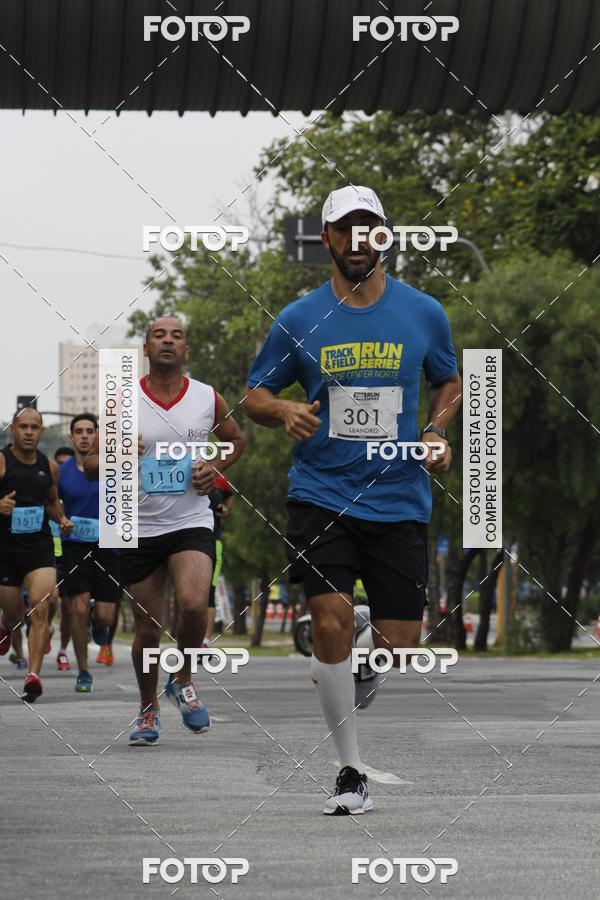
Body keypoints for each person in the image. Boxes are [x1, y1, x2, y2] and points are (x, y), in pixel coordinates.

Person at [245, 186, 461, 815]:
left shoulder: (424, 312)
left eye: (369, 227)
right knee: (328, 622)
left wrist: (435, 431)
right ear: (328, 239)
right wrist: (283, 407)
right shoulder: (298, 317)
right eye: (345, 229)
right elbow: (254, 393)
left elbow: (447, 379)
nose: (357, 239)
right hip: (321, 493)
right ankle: (349, 771)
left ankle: (367, 648)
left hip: (398, 496)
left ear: (385, 236)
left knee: (402, 645)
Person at [84, 317, 244, 745]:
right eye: (160, 334)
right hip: (138, 523)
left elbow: (235, 441)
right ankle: (148, 708)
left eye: (177, 335)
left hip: (190, 518)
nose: (168, 340)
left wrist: (215, 466)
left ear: (186, 350)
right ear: (146, 347)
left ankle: (183, 679)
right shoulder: (123, 399)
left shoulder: (207, 398)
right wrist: (118, 449)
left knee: (193, 606)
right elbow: (90, 465)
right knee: (149, 629)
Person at [0, 408, 73, 701]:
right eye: (23, 427)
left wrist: (62, 519)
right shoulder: (2, 462)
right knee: (16, 615)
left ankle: (33, 676)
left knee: (40, 609)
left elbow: (52, 502)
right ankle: (7, 624)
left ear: (42, 432)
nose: (29, 432)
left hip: (39, 549)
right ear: (13, 430)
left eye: (35, 427)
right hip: (5, 551)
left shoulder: (50, 467)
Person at [58, 413, 122, 692]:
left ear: (98, 436)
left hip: (109, 548)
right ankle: (83, 671)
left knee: (106, 617)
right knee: (77, 608)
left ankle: (100, 621)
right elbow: (51, 503)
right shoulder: (61, 472)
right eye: (79, 431)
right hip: (75, 548)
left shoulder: (114, 467)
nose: (84, 436)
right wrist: (60, 519)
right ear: (71, 437)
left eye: (89, 431)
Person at [51, 446, 75, 671]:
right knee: (48, 600)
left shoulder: (77, 489)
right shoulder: (47, 489)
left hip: (68, 551)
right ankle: (46, 628)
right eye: (60, 464)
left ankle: (63, 651)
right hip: (46, 553)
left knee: (68, 609)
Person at [204, 473, 234, 646]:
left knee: (209, 592)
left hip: (214, 542)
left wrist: (225, 510)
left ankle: (205, 641)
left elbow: (229, 497)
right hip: (189, 542)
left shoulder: (219, 477)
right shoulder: (188, 469)